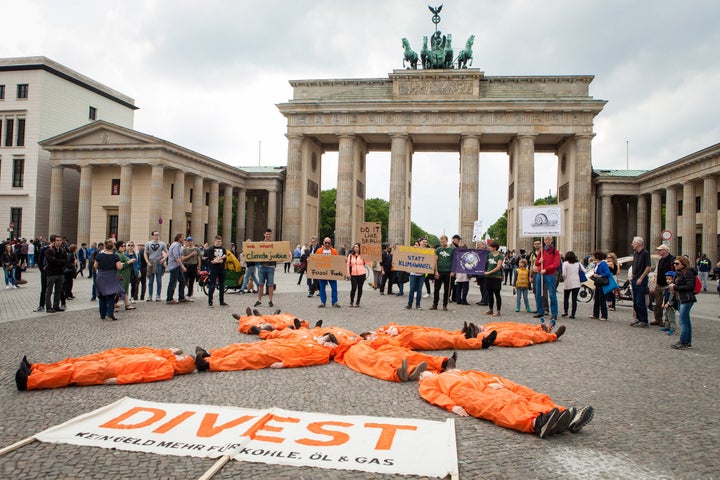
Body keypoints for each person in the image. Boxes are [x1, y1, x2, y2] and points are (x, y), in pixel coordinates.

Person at [418, 369, 594, 439]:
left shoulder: (456, 371)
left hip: (484, 386)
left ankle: (561, 416)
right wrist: (452, 406)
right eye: (422, 374)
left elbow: (482, 374)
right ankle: (535, 423)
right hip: (462, 393)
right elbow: (432, 395)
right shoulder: (429, 382)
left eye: (424, 372)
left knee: (516, 399)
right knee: (496, 407)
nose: (423, 374)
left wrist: (496, 382)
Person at [15, 347, 195, 391]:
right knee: (74, 364)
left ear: (182, 364)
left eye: (182, 357)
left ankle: (29, 382)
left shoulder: (167, 370)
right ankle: (36, 369)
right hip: (114, 362)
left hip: (112, 372)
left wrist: (119, 380)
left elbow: (143, 376)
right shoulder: (165, 358)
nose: (180, 355)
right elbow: (146, 352)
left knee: (72, 373)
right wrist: (171, 351)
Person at [194, 336, 335, 372]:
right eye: (327, 339)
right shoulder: (315, 342)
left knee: (246, 358)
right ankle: (210, 354)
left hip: (279, 355)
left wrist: (285, 364)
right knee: (243, 347)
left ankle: (208, 364)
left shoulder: (323, 354)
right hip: (276, 346)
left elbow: (306, 361)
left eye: (329, 341)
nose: (326, 341)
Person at [668, 255, 696, 349]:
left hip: (687, 299)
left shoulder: (688, 273)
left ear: (683, 264)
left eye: (677, 263)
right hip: (681, 298)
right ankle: (687, 342)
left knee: (683, 321)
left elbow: (690, 287)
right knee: (686, 321)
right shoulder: (679, 273)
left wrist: (675, 287)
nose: (675, 265)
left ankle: (683, 342)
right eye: (674, 263)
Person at [94, 239, 124, 321]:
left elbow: (95, 266)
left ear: (104, 246)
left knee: (102, 296)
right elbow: (119, 267)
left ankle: (102, 314)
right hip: (111, 276)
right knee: (111, 296)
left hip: (101, 276)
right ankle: (110, 313)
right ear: (112, 247)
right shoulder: (115, 256)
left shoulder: (99, 256)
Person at [533, 237, 561, 325]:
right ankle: (540, 311)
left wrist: (546, 269)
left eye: (549, 240)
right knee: (538, 293)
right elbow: (536, 262)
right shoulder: (541, 251)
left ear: (551, 240)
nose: (547, 241)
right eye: (545, 240)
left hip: (549, 274)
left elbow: (556, 264)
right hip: (540, 273)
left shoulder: (555, 251)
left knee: (552, 294)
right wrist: (539, 262)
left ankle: (554, 313)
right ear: (544, 241)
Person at [630, 237, 652, 328]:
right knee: (635, 300)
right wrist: (632, 275)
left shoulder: (645, 253)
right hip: (635, 278)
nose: (632, 244)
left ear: (638, 244)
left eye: (633, 243)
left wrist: (641, 278)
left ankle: (644, 320)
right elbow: (634, 265)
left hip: (641, 279)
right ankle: (638, 318)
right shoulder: (635, 253)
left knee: (640, 300)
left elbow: (648, 267)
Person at [590, 251, 618, 321]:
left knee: (602, 299)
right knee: (596, 299)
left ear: (597, 257)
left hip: (602, 283)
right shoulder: (597, 264)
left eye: (594, 256)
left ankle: (604, 315)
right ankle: (595, 314)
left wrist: (600, 275)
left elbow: (607, 273)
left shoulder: (603, 264)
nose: (593, 257)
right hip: (598, 283)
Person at [651, 245, 674, 325]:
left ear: (665, 250)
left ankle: (667, 321)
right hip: (659, 284)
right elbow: (658, 272)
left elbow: (674, 272)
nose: (658, 252)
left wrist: (672, 283)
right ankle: (658, 319)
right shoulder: (661, 260)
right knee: (658, 303)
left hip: (667, 285)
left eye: (660, 250)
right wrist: (656, 283)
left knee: (667, 304)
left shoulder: (672, 259)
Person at [44, 234, 67, 313]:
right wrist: (60, 261)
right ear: (53, 241)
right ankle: (48, 306)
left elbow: (65, 261)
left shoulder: (62, 250)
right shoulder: (49, 250)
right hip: (51, 273)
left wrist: (58, 261)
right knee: (49, 291)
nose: (59, 242)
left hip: (60, 273)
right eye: (57, 240)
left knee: (58, 290)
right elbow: (51, 261)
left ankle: (56, 305)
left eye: (60, 240)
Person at [255, 228, 277, 308]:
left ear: (271, 235)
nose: (268, 235)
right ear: (264, 234)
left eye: (269, 234)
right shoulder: (260, 243)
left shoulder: (273, 244)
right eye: (266, 234)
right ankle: (259, 300)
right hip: (262, 266)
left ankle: (270, 301)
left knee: (270, 285)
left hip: (270, 266)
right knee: (261, 284)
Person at [204, 235, 228, 308]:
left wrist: (217, 260)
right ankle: (210, 301)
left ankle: (221, 301)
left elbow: (223, 260)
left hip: (221, 268)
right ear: (215, 241)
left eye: (220, 241)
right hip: (213, 269)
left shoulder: (223, 249)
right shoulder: (211, 249)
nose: (219, 243)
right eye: (218, 241)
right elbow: (211, 260)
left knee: (222, 285)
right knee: (212, 285)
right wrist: (219, 259)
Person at [317, 237, 341, 308]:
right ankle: (323, 302)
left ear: (331, 243)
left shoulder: (334, 251)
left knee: (334, 288)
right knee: (322, 288)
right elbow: (315, 261)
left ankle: (334, 301)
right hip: (322, 272)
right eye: (326, 243)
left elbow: (338, 262)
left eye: (328, 243)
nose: (327, 244)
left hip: (332, 273)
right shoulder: (318, 251)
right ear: (323, 243)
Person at [430, 235, 453, 311]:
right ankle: (435, 304)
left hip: (448, 271)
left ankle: (445, 305)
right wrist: (435, 271)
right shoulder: (438, 250)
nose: (442, 243)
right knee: (436, 288)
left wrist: (453, 271)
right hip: (439, 271)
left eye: (444, 241)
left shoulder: (451, 250)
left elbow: (454, 261)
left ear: (447, 241)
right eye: (441, 242)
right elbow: (435, 260)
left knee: (447, 289)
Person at [144, 231, 168, 302]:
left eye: (157, 235)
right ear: (152, 236)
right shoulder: (148, 243)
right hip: (151, 262)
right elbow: (145, 253)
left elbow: (167, 252)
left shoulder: (162, 244)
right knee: (150, 280)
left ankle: (158, 295)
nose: (157, 236)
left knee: (159, 280)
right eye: (155, 235)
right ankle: (150, 295)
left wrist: (164, 259)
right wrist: (147, 262)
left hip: (158, 262)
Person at [165, 233, 188, 305]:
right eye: (182, 237)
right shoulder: (175, 245)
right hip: (174, 266)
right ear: (179, 238)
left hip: (177, 266)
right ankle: (169, 298)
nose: (184, 239)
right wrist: (182, 266)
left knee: (183, 281)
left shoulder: (179, 246)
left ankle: (181, 297)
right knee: (173, 282)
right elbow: (176, 258)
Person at [483, 241, 504, 317]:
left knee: (497, 294)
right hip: (489, 277)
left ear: (495, 248)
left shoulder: (500, 256)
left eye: (490, 247)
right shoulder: (489, 255)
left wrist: (489, 272)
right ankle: (490, 309)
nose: (489, 248)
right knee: (489, 294)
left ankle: (498, 311)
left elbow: (498, 267)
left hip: (496, 277)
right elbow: (486, 263)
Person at [115, 241, 137, 311]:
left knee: (124, 289)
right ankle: (112, 304)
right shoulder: (118, 255)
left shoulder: (122, 254)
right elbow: (120, 266)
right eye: (122, 246)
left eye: (124, 246)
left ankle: (127, 305)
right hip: (121, 274)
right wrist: (129, 262)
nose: (124, 247)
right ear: (118, 247)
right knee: (119, 290)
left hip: (125, 274)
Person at [561, 251, 582, 319]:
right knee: (574, 299)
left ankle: (566, 311)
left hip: (568, 282)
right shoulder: (578, 264)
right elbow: (585, 270)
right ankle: (573, 314)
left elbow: (564, 274)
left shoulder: (565, 263)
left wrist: (564, 279)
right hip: (576, 283)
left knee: (566, 298)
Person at [346, 242, 367, 307]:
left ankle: (358, 302)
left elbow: (365, 263)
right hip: (353, 274)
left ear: (359, 248)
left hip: (361, 273)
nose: (355, 248)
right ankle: (351, 301)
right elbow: (348, 265)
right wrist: (348, 274)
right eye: (354, 247)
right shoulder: (350, 255)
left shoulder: (363, 255)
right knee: (353, 288)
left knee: (360, 288)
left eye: (357, 247)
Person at [182, 236, 202, 300]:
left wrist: (199, 268)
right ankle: (182, 294)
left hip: (194, 266)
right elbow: (183, 258)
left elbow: (199, 259)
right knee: (184, 280)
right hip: (187, 265)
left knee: (191, 281)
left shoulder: (197, 249)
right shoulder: (185, 249)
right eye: (188, 241)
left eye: (191, 241)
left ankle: (189, 294)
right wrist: (191, 255)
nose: (190, 243)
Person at [660, 271, 678, 335]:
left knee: (671, 317)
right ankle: (667, 326)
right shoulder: (666, 287)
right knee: (666, 316)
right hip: (666, 304)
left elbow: (672, 296)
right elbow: (664, 296)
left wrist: (668, 303)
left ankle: (672, 328)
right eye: (667, 279)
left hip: (671, 305)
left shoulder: (672, 287)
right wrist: (663, 303)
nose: (667, 280)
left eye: (669, 279)